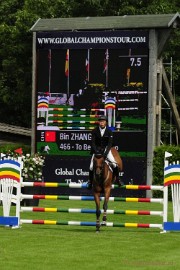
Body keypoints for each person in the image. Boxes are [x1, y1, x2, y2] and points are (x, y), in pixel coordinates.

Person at [87, 115, 122, 189]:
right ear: (99, 122)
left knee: (114, 164)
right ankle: (90, 181)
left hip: (106, 149)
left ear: (106, 122)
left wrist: (106, 153)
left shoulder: (109, 131)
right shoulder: (94, 131)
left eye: (103, 121)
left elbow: (110, 143)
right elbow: (93, 143)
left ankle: (118, 179)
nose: (101, 122)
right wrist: (96, 151)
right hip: (97, 150)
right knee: (91, 166)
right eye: (100, 121)